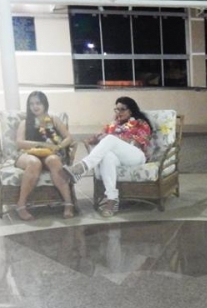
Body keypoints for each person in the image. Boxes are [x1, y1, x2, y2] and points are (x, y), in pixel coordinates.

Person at [64, 96, 153, 217]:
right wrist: (89, 140)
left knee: (110, 138)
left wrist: (114, 139)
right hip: (118, 158)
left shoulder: (141, 123)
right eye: (116, 109)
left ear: (131, 111)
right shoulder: (113, 124)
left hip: (135, 156)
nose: (119, 112)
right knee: (107, 156)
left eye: (122, 109)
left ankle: (82, 167)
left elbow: (138, 142)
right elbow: (99, 137)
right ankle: (112, 200)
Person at [14, 91, 75, 221]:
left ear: (45, 104)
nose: (35, 106)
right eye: (31, 104)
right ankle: (21, 205)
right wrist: (40, 144)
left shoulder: (53, 120)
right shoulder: (25, 122)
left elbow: (69, 137)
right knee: (34, 163)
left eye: (38, 103)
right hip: (28, 154)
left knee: (54, 160)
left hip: (49, 153)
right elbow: (19, 143)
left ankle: (68, 203)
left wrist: (58, 146)